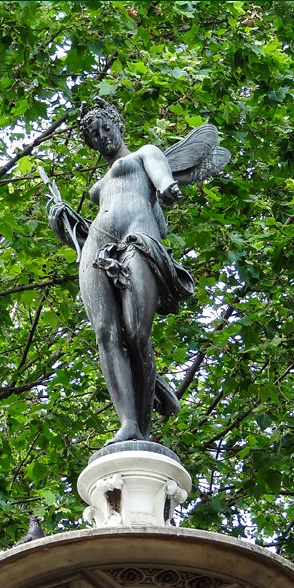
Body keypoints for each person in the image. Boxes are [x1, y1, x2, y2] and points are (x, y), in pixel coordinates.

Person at [46, 98, 228, 444]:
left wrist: (166, 186)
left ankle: (141, 424)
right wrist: (64, 219)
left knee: (136, 334)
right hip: (94, 249)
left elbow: (160, 178)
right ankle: (127, 423)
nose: (102, 137)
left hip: (137, 241)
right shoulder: (97, 186)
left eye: (105, 128)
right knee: (105, 333)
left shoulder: (143, 154)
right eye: (94, 136)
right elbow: (95, 222)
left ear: (118, 125)